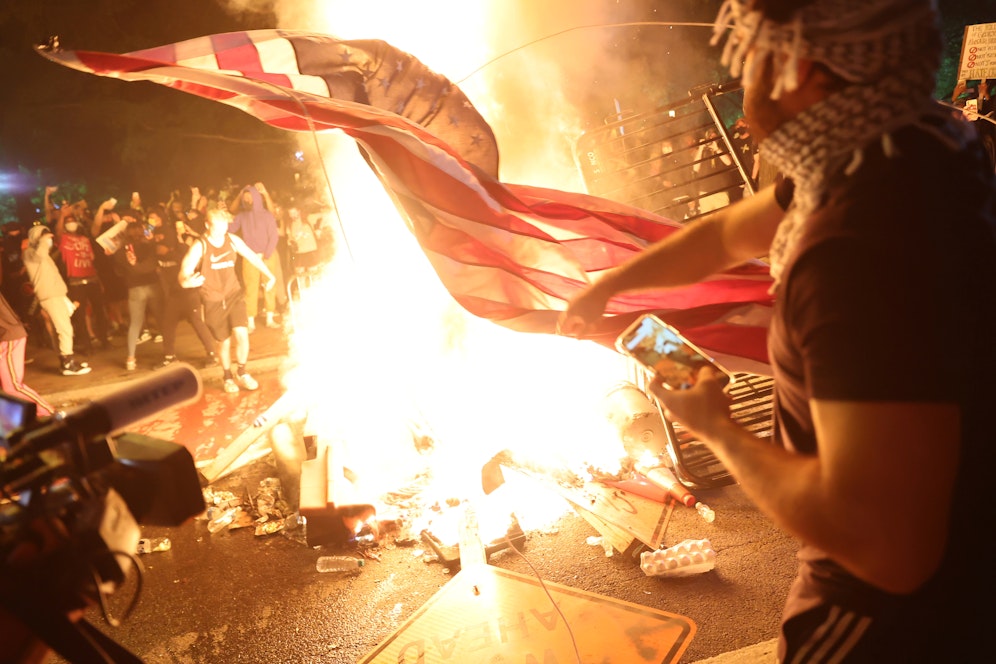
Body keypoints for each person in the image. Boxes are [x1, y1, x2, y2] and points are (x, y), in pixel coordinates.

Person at [559, 0, 996, 660]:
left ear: (800, 68)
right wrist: (608, 286)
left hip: (885, 621)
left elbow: (890, 550)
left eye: (752, 57)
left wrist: (717, 428)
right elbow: (725, 235)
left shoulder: (853, 253)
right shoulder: (915, 144)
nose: (743, 87)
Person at [179, 208, 276, 393]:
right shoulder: (200, 246)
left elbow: (251, 256)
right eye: (217, 228)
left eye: (225, 227)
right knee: (224, 342)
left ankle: (242, 372)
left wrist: (269, 275)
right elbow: (183, 272)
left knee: (242, 333)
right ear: (207, 225)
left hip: (233, 294)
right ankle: (227, 376)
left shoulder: (232, 240)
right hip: (213, 300)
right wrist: (186, 282)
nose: (222, 232)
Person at [21, 225, 90, 376]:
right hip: (51, 296)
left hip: (56, 295)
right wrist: (43, 241)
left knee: (60, 329)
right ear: (37, 239)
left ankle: (65, 361)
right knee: (65, 329)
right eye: (46, 238)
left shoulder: (42, 255)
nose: (49, 241)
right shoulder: (30, 253)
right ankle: (68, 363)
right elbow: (39, 255)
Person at [228, 182, 286, 331]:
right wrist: (221, 218)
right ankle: (251, 322)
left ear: (256, 197)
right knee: (250, 288)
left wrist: (266, 254)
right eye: (245, 198)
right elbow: (230, 229)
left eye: (249, 197)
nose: (246, 200)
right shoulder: (241, 216)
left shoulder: (267, 215)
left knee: (270, 287)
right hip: (250, 258)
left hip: (268, 256)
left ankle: (269, 319)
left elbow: (273, 236)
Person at [113, 220, 163, 371]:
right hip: (153, 285)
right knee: (161, 319)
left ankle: (130, 358)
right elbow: (154, 262)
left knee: (135, 324)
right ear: (142, 232)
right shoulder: (149, 246)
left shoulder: (122, 251)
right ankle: (169, 353)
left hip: (134, 288)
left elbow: (118, 271)